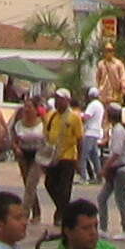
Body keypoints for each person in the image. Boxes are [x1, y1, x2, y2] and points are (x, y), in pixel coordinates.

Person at [42, 90, 86, 223]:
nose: (57, 102)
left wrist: (79, 160)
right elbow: (46, 136)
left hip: (68, 156)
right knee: (49, 184)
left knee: (64, 187)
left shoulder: (74, 118)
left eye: (60, 99)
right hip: (53, 156)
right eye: (56, 99)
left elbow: (79, 139)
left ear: (67, 100)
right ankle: (63, 209)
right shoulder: (51, 116)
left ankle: (61, 215)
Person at [99, 102, 125, 239]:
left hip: (121, 169)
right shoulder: (116, 129)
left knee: (120, 199)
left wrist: (105, 167)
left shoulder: (118, 130)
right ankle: (103, 228)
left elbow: (116, 152)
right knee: (102, 198)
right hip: (116, 170)